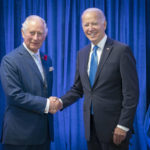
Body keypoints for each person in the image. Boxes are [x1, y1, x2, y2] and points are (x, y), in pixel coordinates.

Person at [53, 8, 139, 150]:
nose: (90, 28)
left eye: (94, 24)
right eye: (86, 25)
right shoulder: (82, 53)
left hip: (115, 130)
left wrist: (123, 125)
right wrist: (60, 102)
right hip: (90, 128)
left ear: (104, 24)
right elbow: (78, 88)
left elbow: (132, 93)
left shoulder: (121, 50)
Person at [0, 15, 60, 150]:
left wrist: (53, 102)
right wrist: (47, 104)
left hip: (43, 135)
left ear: (45, 36)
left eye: (40, 33)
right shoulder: (10, 60)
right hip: (20, 137)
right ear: (23, 33)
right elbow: (14, 95)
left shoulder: (47, 60)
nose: (36, 37)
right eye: (32, 33)